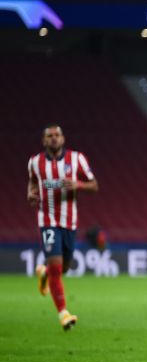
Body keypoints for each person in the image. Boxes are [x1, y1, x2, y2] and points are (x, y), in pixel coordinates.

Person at [27, 124, 98, 330]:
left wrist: (79, 185)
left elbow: (94, 185)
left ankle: (44, 272)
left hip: (70, 221)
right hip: (47, 220)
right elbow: (32, 182)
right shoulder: (35, 162)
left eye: (57, 135)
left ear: (63, 139)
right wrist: (30, 193)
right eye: (50, 136)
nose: (54, 138)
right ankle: (64, 313)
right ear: (44, 141)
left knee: (63, 268)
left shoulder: (77, 159)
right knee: (57, 267)